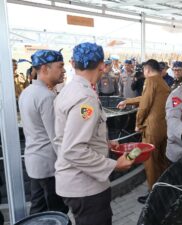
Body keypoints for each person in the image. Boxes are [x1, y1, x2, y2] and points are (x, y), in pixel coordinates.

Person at [54, 42, 135, 225]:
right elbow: (73, 149)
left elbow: (71, 134)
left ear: (74, 64)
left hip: (76, 182)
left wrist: (104, 143)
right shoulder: (85, 99)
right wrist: (114, 165)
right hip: (85, 186)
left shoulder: (69, 90)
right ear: (101, 65)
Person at [19, 50, 68, 215]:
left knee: (38, 209)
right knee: (57, 212)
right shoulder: (46, 96)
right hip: (48, 165)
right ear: (45, 69)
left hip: (34, 161)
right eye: (60, 66)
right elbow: (56, 137)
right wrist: (67, 164)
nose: (63, 70)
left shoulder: (27, 92)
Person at [117, 59, 171, 204]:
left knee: (149, 161)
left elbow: (145, 105)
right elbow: (145, 98)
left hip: (152, 128)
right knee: (160, 159)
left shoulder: (150, 81)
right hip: (163, 127)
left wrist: (138, 123)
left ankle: (153, 194)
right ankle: (163, 189)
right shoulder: (162, 81)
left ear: (147, 70)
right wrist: (127, 101)